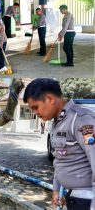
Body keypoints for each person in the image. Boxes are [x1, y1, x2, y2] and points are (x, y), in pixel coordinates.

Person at [23, 78, 95, 210]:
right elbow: (60, 158)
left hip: (87, 200)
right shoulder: (58, 122)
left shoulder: (81, 120)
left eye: (35, 107)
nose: (35, 113)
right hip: (72, 197)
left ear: (50, 99)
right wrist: (56, 189)